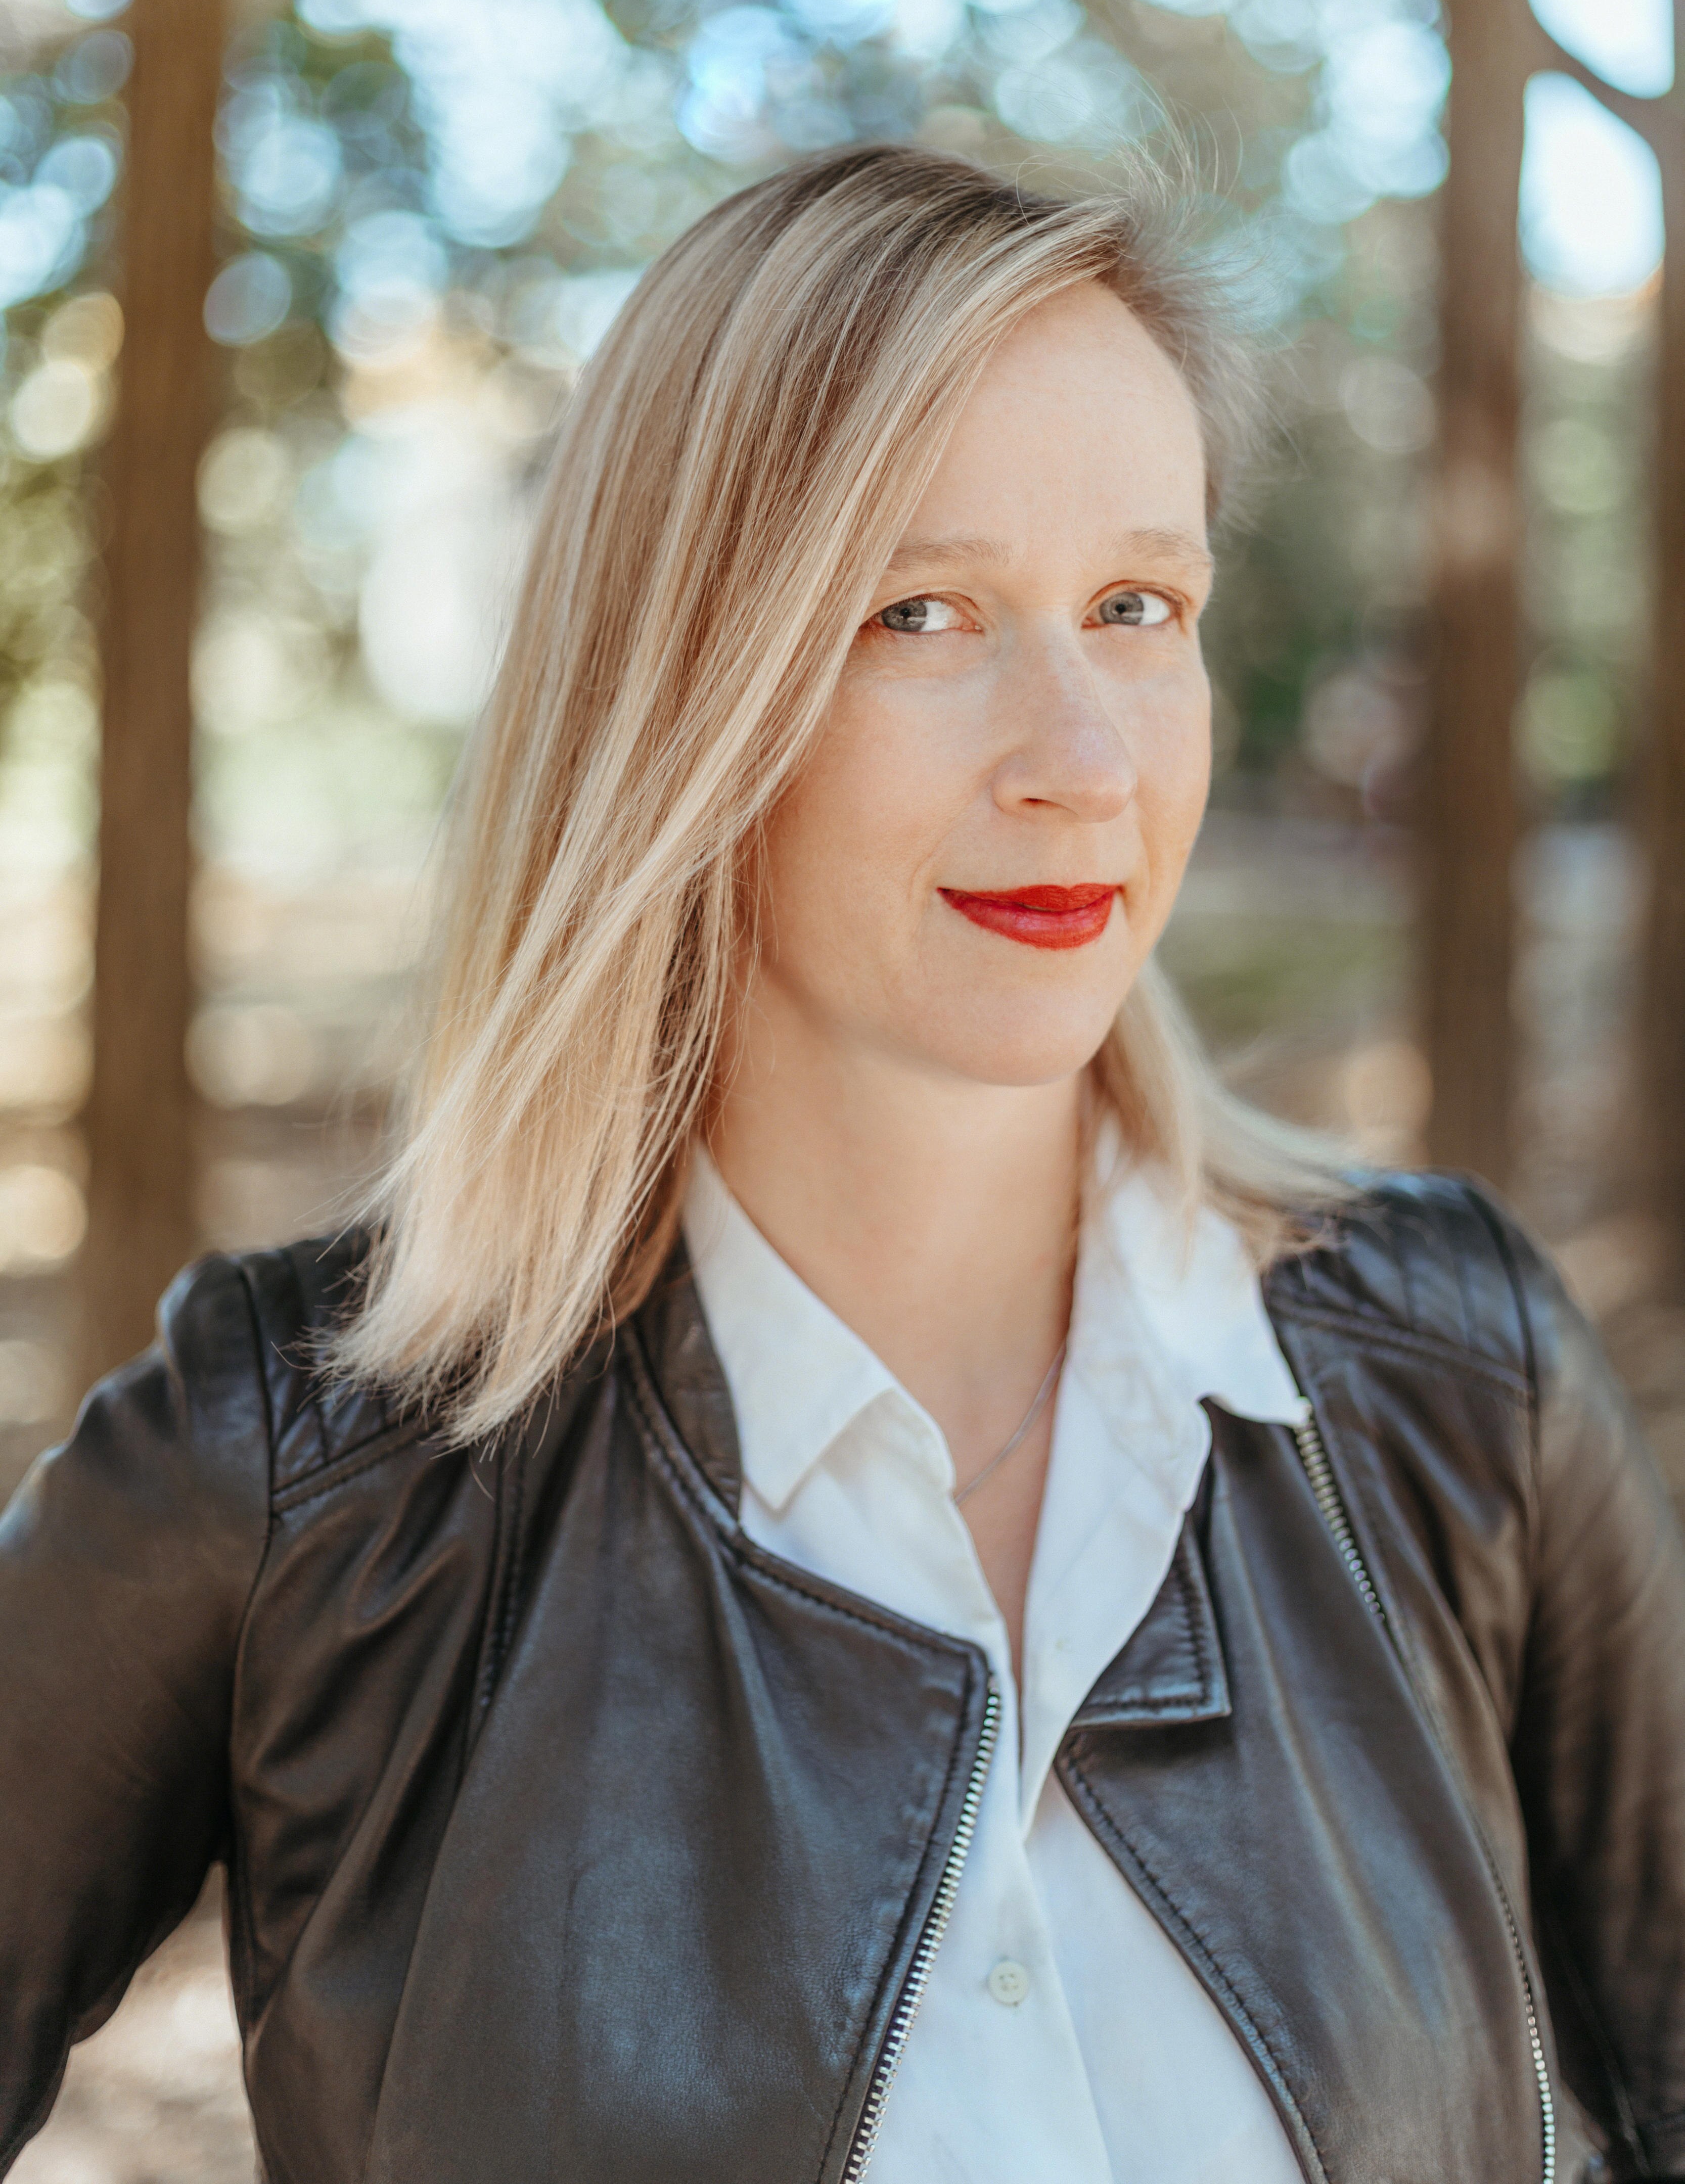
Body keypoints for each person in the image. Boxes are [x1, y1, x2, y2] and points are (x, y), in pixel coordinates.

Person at [2, 146, 1682, 2184]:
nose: (1083, 750)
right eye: (921, 610)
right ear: (684, 688)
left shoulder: (1452, 1370)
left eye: (1139, 603)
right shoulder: (290, 1475)